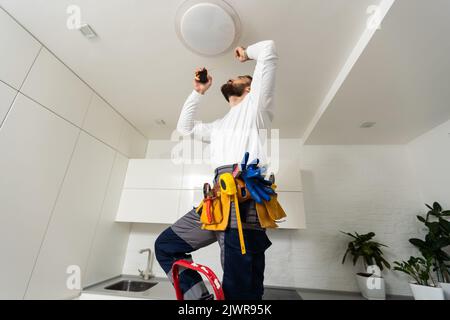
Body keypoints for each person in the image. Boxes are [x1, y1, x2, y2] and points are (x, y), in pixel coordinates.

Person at [155, 40, 278, 300]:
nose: (232, 77)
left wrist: (246, 54)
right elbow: (185, 128)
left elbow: (268, 49)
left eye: (239, 77)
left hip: (244, 198)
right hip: (215, 202)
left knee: (240, 290)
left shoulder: (256, 108)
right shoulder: (219, 126)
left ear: (251, 87)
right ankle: (201, 299)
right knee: (166, 246)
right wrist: (198, 92)